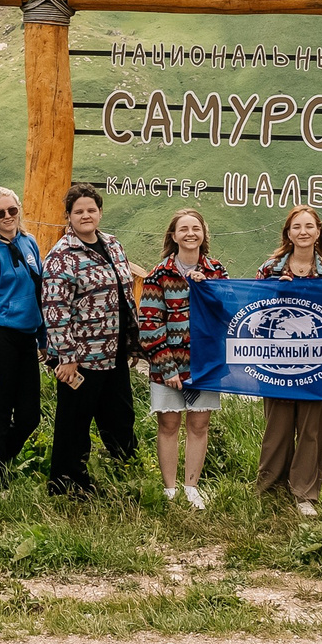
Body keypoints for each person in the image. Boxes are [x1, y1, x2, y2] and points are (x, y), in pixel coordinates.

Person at [39, 182, 140, 496]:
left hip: (113, 353)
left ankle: (127, 473)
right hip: (81, 358)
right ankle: (67, 484)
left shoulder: (112, 244)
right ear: (68, 216)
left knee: (121, 417)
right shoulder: (62, 256)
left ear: (99, 212)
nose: (86, 215)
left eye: (91, 209)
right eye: (78, 211)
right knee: (75, 423)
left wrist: (132, 341)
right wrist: (66, 356)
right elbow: (54, 309)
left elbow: (125, 294)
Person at [135, 207, 226, 508]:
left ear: (203, 234)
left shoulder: (216, 271)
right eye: (184, 229)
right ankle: (170, 488)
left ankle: (192, 487)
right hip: (168, 366)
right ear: (173, 236)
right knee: (169, 424)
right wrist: (166, 367)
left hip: (204, 365)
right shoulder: (158, 275)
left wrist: (207, 289)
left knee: (199, 425)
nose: (190, 234)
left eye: (195, 228)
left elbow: (226, 315)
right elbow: (149, 325)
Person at [253, 205, 322, 517]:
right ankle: (269, 487)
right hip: (276, 362)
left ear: (318, 233)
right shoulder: (270, 269)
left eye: (309, 226)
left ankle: (305, 493)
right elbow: (255, 313)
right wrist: (276, 294)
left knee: (312, 428)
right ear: (288, 233)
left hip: (317, 364)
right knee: (277, 426)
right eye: (296, 226)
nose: (303, 232)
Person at [0, 186, 47, 484]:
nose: (7, 217)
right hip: (2, 338)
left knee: (30, 416)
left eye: (11, 210)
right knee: (0, 412)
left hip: (27, 338)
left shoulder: (29, 243)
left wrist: (42, 339)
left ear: (19, 210)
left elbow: (38, 292)